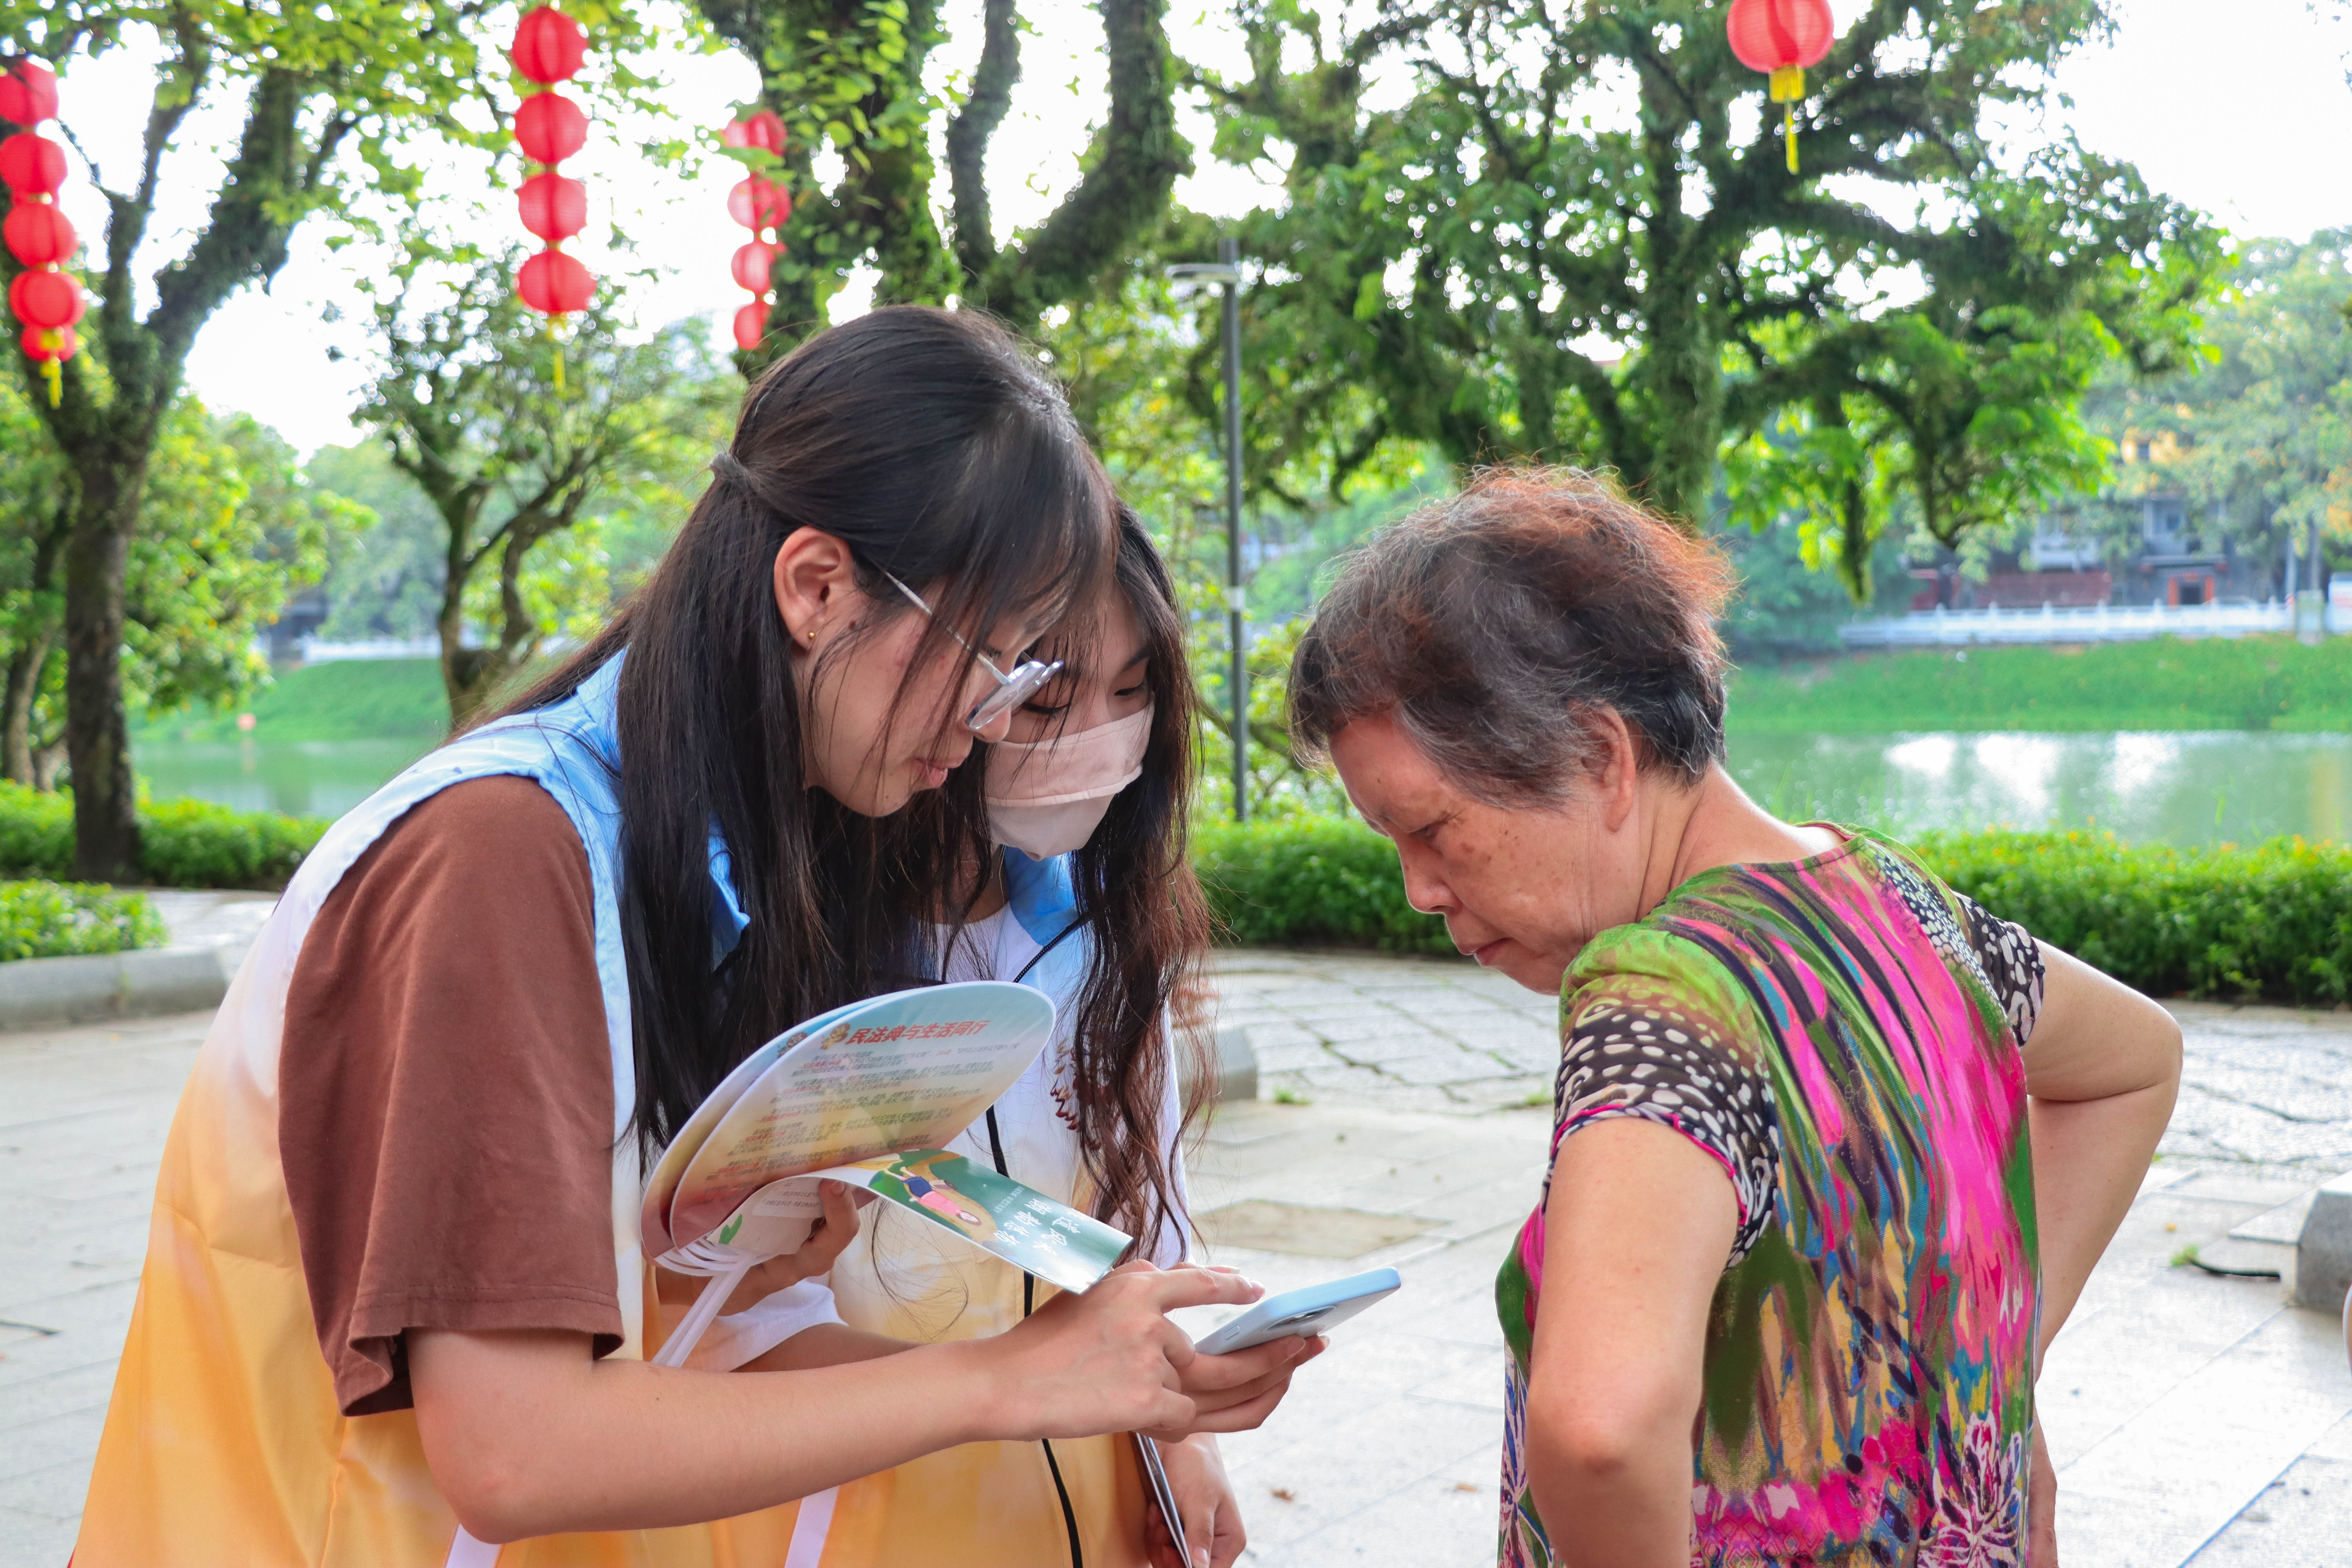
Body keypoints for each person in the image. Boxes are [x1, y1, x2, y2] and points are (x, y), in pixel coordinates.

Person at [75, 307, 1308, 1566]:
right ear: (819, 587)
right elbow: (512, 1450)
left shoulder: (738, 855)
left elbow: (701, 1337)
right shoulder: (502, 858)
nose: (996, 725)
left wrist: (1119, 1385)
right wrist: (1007, 1381)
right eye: (991, 662)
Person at [1286, 469, 2183, 1568]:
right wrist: (1990, 1372)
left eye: (1431, 829)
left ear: (1602, 756)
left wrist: (1995, 1365)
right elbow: (2137, 1060)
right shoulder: (1896, 902)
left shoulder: (1664, 994)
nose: (1419, 889)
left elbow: (1601, 1431)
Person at [690, 507, 1280, 1568]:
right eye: (1047, 695)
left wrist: (1174, 1432)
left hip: (1075, 1497)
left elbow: (1140, 1213)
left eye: (1135, 693)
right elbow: (710, 1314)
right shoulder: (773, 949)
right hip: (839, 1505)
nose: (1099, 733)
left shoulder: (1103, 937)